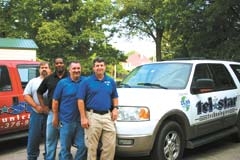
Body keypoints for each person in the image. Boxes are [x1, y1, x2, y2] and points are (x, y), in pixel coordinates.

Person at [77, 57, 119, 160]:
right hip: (92, 116)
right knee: (92, 147)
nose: (99, 67)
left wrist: (115, 109)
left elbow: (115, 96)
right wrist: (83, 117)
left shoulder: (110, 81)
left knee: (110, 146)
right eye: (97, 66)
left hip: (107, 116)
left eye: (101, 65)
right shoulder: (86, 82)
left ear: (105, 67)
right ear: (94, 68)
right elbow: (80, 100)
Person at [52, 61, 87, 160]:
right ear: (69, 70)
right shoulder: (63, 83)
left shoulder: (85, 81)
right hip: (66, 121)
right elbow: (55, 101)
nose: (76, 70)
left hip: (81, 121)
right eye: (74, 68)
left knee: (83, 146)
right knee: (65, 148)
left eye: (78, 68)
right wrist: (55, 117)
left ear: (81, 69)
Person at [37, 57, 68, 160]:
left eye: (61, 63)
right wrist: (43, 106)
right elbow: (39, 92)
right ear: (54, 65)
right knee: (50, 140)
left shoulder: (70, 77)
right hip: (51, 113)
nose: (59, 65)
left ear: (64, 64)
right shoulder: (49, 78)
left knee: (65, 141)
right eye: (57, 63)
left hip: (66, 114)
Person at [23, 61, 51, 160]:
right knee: (33, 139)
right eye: (42, 67)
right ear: (39, 70)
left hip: (50, 115)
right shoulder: (33, 81)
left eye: (46, 67)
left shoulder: (54, 81)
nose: (44, 69)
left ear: (49, 69)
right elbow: (26, 95)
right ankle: (32, 157)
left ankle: (48, 157)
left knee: (49, 140)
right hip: (36, 114)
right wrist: (36, 106)